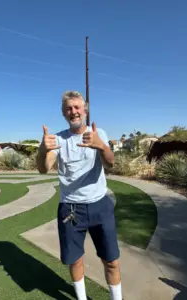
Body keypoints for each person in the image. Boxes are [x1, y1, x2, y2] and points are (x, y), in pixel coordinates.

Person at [37, 91, 123, 300]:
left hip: (100, 205)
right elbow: (43, 168)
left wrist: (101, 145)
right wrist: (42, 149)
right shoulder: (58, 139)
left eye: (77, 107)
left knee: (111, 260)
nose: (73, 112)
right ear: (63, 113)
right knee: (75, 260)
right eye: (69, 108)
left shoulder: (98, 133)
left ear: (84, 110)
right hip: (71, 208)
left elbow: (111, 163)